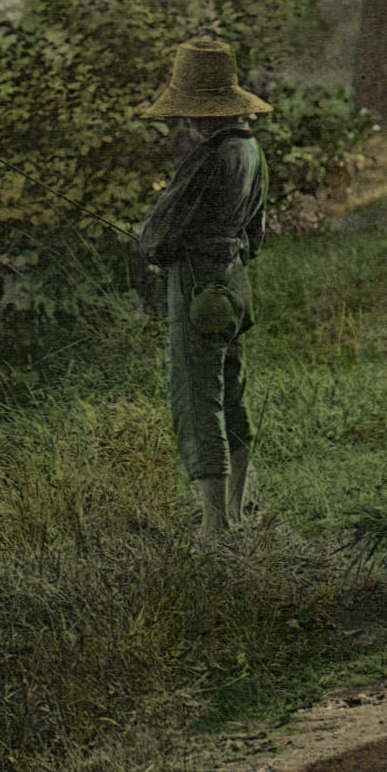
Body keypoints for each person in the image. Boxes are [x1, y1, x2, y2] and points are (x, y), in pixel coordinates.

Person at [137, 37, 271, 539]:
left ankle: (214, 525)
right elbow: (257, 232)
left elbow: (157, 237)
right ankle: (238, 508)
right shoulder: (252, 151)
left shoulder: (207, 159)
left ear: (196, 114)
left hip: (197, 295)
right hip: (235, 287)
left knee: (197, 402)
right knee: (231, 396)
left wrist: (155, 252)